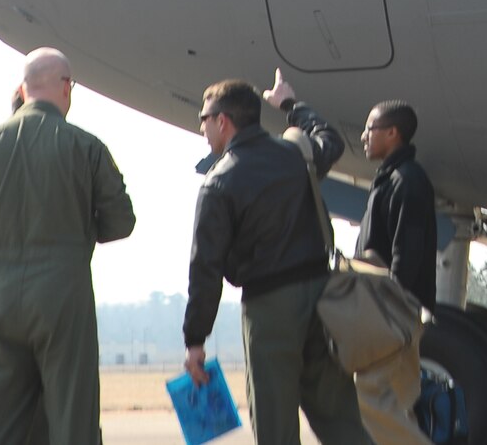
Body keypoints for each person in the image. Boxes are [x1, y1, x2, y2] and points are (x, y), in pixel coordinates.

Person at [0, 48, 135, 445]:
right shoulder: (86, 146)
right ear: (66, 87)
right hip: (65, 297)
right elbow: (121, 222)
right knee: (72, 418)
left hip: (1, 297)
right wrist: (76, 234)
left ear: (24, 88)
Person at [184, 73, 372, 445]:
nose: (202, 128)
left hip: (270, 308)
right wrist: (289, 104)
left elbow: (206, 268)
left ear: (223, 121)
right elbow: (329, 139)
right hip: (323, 299)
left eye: (204, 119)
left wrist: (195, 339)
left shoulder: (219, 181)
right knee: (338, 415)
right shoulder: (295, 156)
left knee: (274, 420)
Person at [353, 101, 436, 445]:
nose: (363, 137)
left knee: (372, 400)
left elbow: (407, 254)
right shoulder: (391, 178)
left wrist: (390, 313)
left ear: (392, 133)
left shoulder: (408, 181)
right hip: (385, 310)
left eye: (370, 129)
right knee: (394, 404)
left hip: (392, 314)